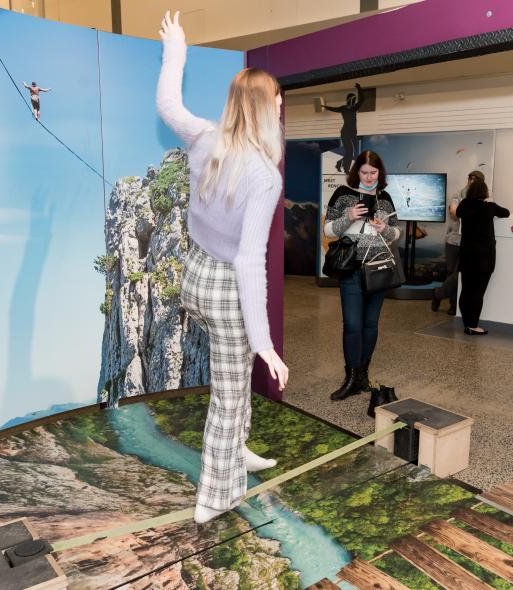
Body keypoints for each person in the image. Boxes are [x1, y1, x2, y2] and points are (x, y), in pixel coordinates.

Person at [156, 11, 289, 524]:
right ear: (269, 107)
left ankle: (239, 452)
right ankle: (214, 496)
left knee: (230, 378)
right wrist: (264, 343)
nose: (281, 104)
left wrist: (176, 50)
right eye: (278, 99)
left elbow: (168, 103)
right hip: (228, 289)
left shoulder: (205, 138)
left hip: (195, 280)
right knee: (229, 396)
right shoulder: (262, 174)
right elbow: (249, 260)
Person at [324, 150, 401, 401]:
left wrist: (385, 228)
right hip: (352, 268)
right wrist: (348, 217)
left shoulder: (385, 197)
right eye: (364, 172)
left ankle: (363, 376)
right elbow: (328, 230)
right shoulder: (343, 194)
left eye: (373, 172)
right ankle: (351, 378)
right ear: (357, 171)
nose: (368, 177)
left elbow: (396, 233)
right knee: (353, 325)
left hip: (378, 268)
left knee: (370, 325)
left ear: (380, 173)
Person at [456, 176, 509, 335]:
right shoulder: (489, 207)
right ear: (485, 192)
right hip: (484, 257)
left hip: (466, 254)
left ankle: (467, 323)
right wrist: (489, 201)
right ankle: (473, 326)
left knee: (466, 291)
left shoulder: (464, 205)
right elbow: (506, 213)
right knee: (478, 292)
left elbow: (457, 213)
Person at [432, 170, 483, 315]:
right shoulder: (458, 195)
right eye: (470, 178)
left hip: (469, 243)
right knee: (451, 273)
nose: (472, 181)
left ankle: (439, 294)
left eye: (475, 179)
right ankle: (452, 304)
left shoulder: (483, 199)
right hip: (453, 241)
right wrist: (472, 213)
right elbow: (454, 212)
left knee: (459, 273)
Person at [323, 83, 364, 173]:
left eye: (354, 100)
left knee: (353, 152)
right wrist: (325, 107)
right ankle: (346, 169)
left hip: (353, 132)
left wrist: (359, 88)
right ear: (349, 100)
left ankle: (339, 164)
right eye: (352, 100)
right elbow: (334, 109)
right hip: (345, 132)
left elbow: (362, 99)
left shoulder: (354, 108)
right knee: (350, 151)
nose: (354, 102)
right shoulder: (344, 108)